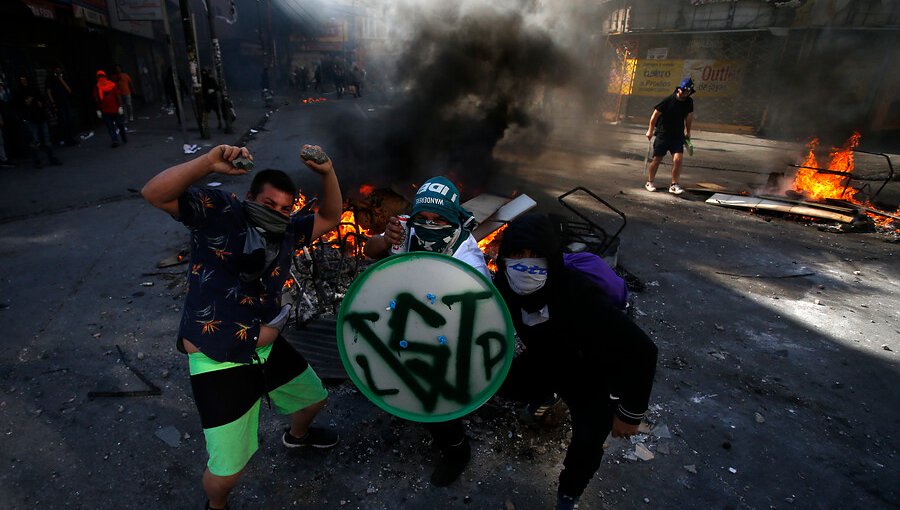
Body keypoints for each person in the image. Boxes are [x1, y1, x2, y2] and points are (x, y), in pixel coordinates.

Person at [141, 144, 343, 510]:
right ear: (251, 196)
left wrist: (327, 173)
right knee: (227, 471)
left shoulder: (287, 233)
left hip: (265, 346)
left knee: (315, 398)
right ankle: (216, 505)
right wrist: (206, 162)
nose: (277, 214)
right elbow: (154, 193)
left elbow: (330, 217)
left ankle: (297, 437)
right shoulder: (220, 212)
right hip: (219, 357)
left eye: (285, 209)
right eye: (269, 205)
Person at [493, 213, 658, 510]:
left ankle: (568, 496)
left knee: (586, 445)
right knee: (504, 383)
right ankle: (547, 397)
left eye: (536, 255)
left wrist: (630, 412)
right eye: (517, 255)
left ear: (552, 259)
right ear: (504, 258)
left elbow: (643, 351)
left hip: (594, 375)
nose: (526, 265)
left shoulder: (580, 294)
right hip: (549, 357)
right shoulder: (504, 285)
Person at [363, 176, 487, 486]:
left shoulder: (466, 253)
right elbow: (370, 250)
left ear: (454, 218)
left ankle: (457, 450)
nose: (429, 225)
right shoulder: (405, 231)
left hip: (445, 335)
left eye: (439, 219)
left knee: (435, 400)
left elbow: (474, 310)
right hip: (404, 322)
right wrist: (384, 238)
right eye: (424, 218)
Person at [644, 77, 695, 195]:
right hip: (663, 134)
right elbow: (655, 115)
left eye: (688, 92)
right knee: (657, 159)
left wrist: (688, 132)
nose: (686, 94)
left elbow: (689, 117)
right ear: (679, 89)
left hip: (677, 135)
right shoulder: (668, 100)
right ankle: (649, 182)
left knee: (678, 160)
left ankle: (674, 184)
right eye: (684, 91)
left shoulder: (689, 102)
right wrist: (650, 131)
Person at [15, 75, 61, 168]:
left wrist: (39, 103)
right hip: (31, 119)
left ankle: (51, 158)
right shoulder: (20, 92)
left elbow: (41, 100)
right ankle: (38, 161)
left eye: (24, 79)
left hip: (40, 116)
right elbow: (19, 105)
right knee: (35, 140)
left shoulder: (34, 89)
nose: (24, 81)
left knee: (45, 140)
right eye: (22, 80)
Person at [45, 66, 80, 146]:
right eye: (56, 69)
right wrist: (53, 103)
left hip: (66, 102)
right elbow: (49, 91)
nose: (58, 70)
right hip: (58, 103)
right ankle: (66, 139)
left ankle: (70, 138)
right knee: (63, 120)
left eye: (59, 69)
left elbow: (69, 90)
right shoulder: (50, 79)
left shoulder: (63, 78)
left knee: (69, 119)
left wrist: (61, 80)